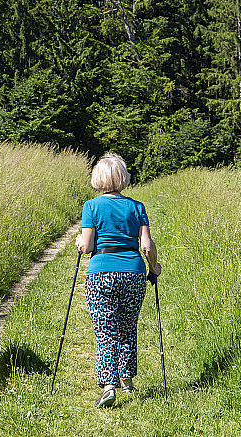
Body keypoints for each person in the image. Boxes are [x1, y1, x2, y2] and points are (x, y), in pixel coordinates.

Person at [75, 153, 161, 408]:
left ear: (97, 179)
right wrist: (153, 267)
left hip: (101, 273)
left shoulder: (91, 207)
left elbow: (87, 246)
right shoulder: (137, 207)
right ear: (123, 178)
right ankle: (127, 380)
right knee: (127, 326)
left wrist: (80, 243)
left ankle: (108, 386)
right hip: (133, 272)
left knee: (106, 330)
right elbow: (146, 246)